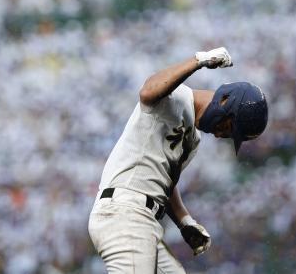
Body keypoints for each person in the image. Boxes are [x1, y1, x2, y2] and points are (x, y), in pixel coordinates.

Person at [88, 47, 268, 273]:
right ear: (224, 101)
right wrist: (199, 60)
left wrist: (185, 221)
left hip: (144, 219)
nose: (223, 135)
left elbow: (166, 184)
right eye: (228, 127)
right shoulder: (176, 95)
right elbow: (147, 91)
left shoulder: (194, 139)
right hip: (125, 213)